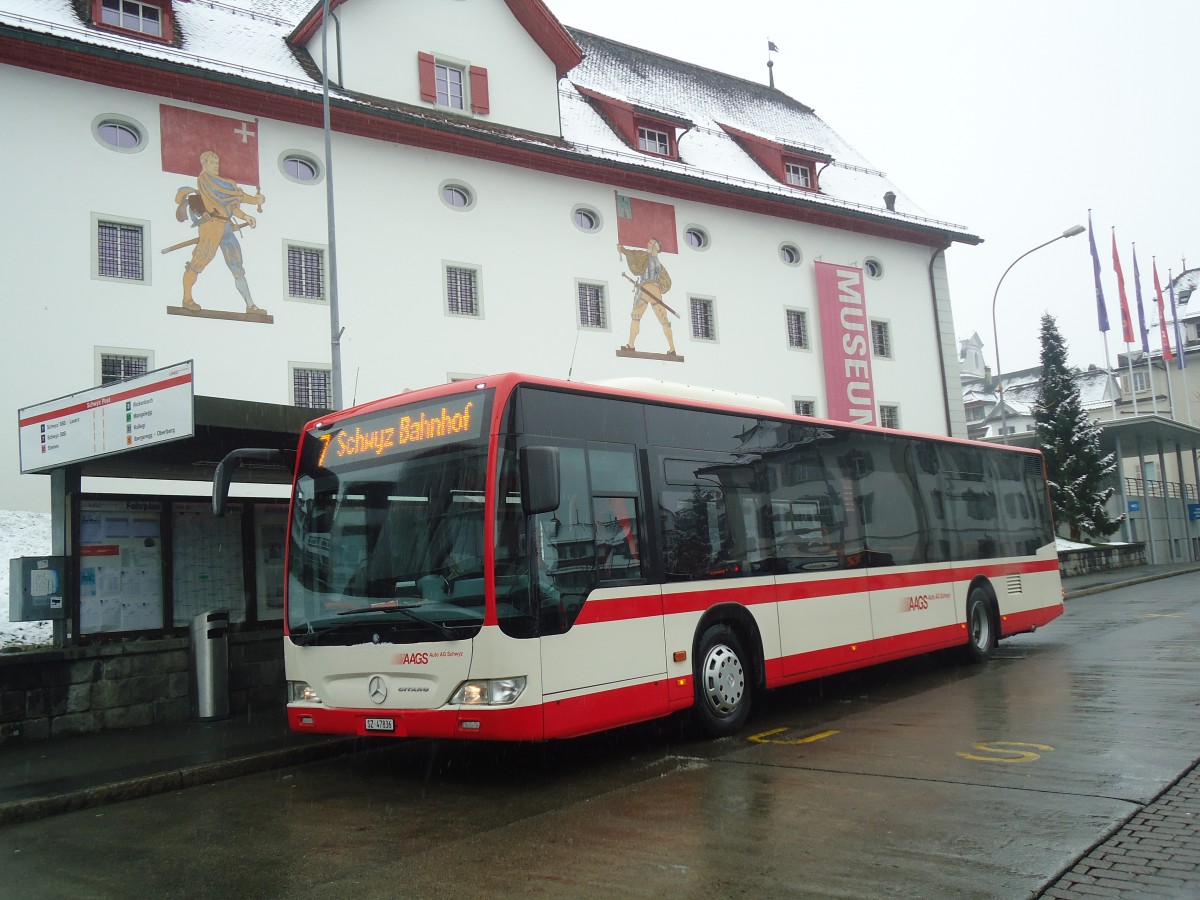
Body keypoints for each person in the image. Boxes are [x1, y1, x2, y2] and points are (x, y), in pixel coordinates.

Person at [175, 150, 267, 314]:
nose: (215, 166)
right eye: (211, 163)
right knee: (198, 262)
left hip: (226, 227)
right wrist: (254, 200)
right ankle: (187, 298)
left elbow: (231, 207)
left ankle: (250, 305)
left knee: (237, 267)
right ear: (204, 163)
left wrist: (245, 216)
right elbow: (223, 197)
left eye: (216, 163)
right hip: (211, 226)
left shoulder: (224, 184)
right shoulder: (206, 180)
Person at [618, 237, 677, 355]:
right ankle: (671, 349)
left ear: (655, 245)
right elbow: (632, 253)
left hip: (647, 289)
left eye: (650, 243)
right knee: (660, 319)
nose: (647, 244)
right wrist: (622, 250)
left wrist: (623, 250)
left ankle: (631, 345)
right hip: (651, 289)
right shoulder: (653, 261)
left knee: (639, 316)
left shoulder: (650, 260)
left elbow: (632, 254)